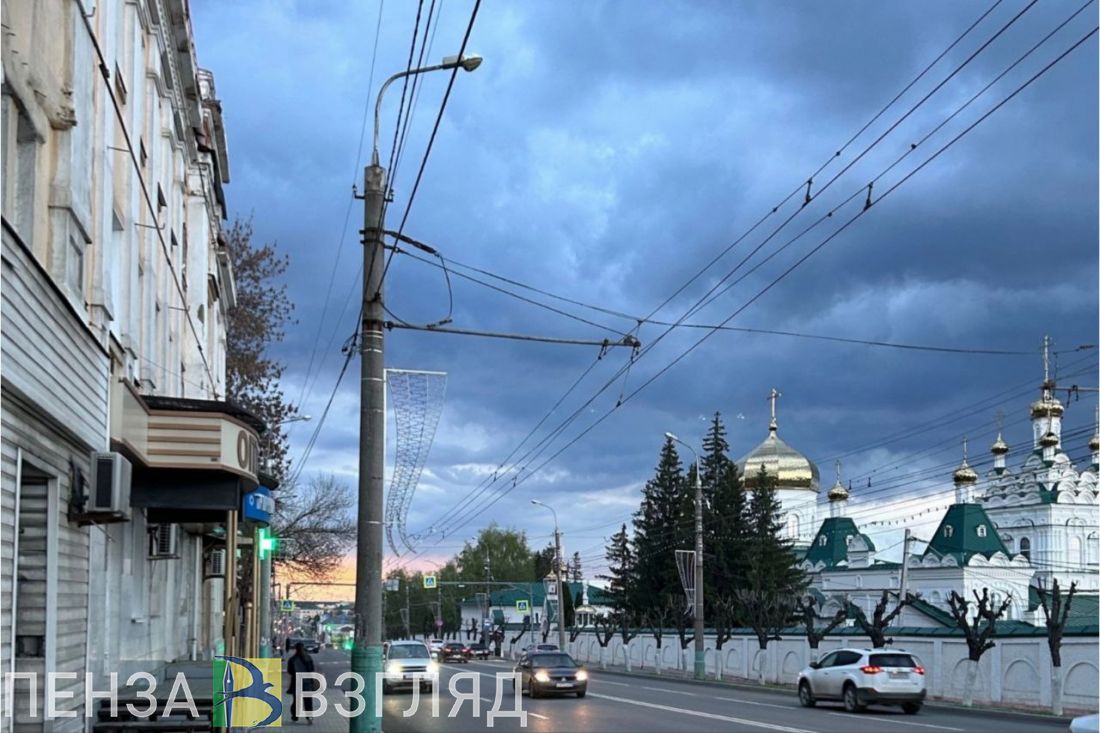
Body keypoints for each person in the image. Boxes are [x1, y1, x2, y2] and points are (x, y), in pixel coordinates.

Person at [286, 642, 317, 724]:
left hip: (296, 681)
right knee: (308, 700)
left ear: (296, 649)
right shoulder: (308, 658)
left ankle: (295, 717)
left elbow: (290, 671)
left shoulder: (292, 659)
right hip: (307, 682)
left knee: (296, 700)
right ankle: (309, 717)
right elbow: (312, 669)